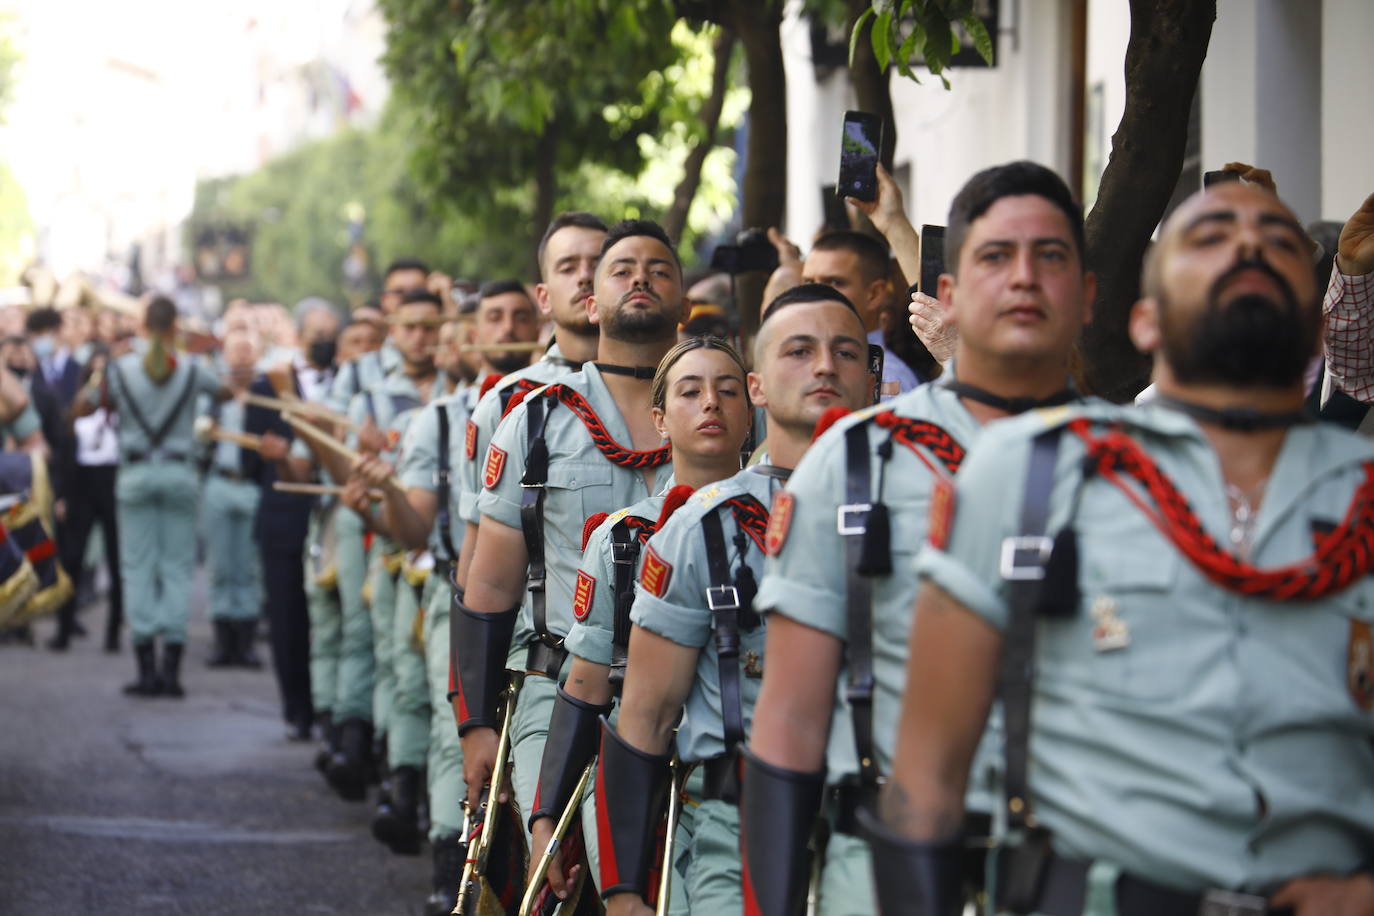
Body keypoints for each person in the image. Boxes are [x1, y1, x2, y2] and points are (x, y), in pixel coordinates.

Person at [873, 180, 1374, 916]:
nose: (1246, 247)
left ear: (1321, 325)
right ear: (1144, 321)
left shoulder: (1359, 500)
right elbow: (927, 779)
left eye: (1278, 245)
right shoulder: (1032, 474)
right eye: (1209, 240)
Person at [743, 161, 1096, 916]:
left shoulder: (1135, 471)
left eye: (1052, 257)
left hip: (1085, 871)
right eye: (995, 258)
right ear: (948, 296)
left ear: (1089, 295)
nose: (1024, 279)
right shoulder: (857, 459)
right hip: (880, 865)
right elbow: (791, 717)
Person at [596, 285, 873, 915]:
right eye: (799, 351)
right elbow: (644, 715)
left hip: (880, 830)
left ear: (873, 378)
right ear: (757, 387)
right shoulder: (704, 527)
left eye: (847, 352)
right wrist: (624, 890)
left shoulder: (921, 508)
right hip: (739, 826)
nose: (825, 366)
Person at [452, 219, 684, 877]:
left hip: (693, 703)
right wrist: (473, 725)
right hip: (554, 690)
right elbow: (488, 586)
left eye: (659, 269)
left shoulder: (726, 409)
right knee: (562, 877)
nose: (640, 280)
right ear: (591, 302)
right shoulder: (537, 415)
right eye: (622, 270)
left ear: (685, 300)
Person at [524, 336, 755, 909]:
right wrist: (546, 818)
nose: (712, 405)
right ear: (660, 419)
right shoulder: (622, 538)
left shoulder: (783, 519)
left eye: (729, 391)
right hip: (634, 768)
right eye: (691, 391)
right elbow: (586, 685)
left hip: (743, 775)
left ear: (752, 412)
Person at [75, 296, 228, 698]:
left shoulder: (121, 367)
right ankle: (172, 671)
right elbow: (225, 392)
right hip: (179, 471)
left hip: (136, 472)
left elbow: (85, 406)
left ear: (142, 325)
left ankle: (145, 669)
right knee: (177, 568)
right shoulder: (193, 368)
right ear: (175, 325)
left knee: (138, 566)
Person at [450, 213, 607, 595]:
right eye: (568, 267)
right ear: (544, 297)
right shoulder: (507, 402)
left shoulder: (676, 393)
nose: (585, 277)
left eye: (600, 264)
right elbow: (477, 564)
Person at [199, 331, 264, 669]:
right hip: (220, 482)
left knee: (250, 566)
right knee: (221, 564)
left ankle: (246, 641)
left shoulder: (265, 395)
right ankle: (223, 640)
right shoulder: (214, 395)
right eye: (234, 351)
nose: (240, 358)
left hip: (251, 486)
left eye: (246, 351)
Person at [54, 347, 122, 652]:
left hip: (110, 486)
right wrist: (62, 496)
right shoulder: (76, 411)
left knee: (117, 563)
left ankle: (113, 634)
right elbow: (66, 457)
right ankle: (64, 629)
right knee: (72, 560)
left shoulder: (119, 411)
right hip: (81, 488)